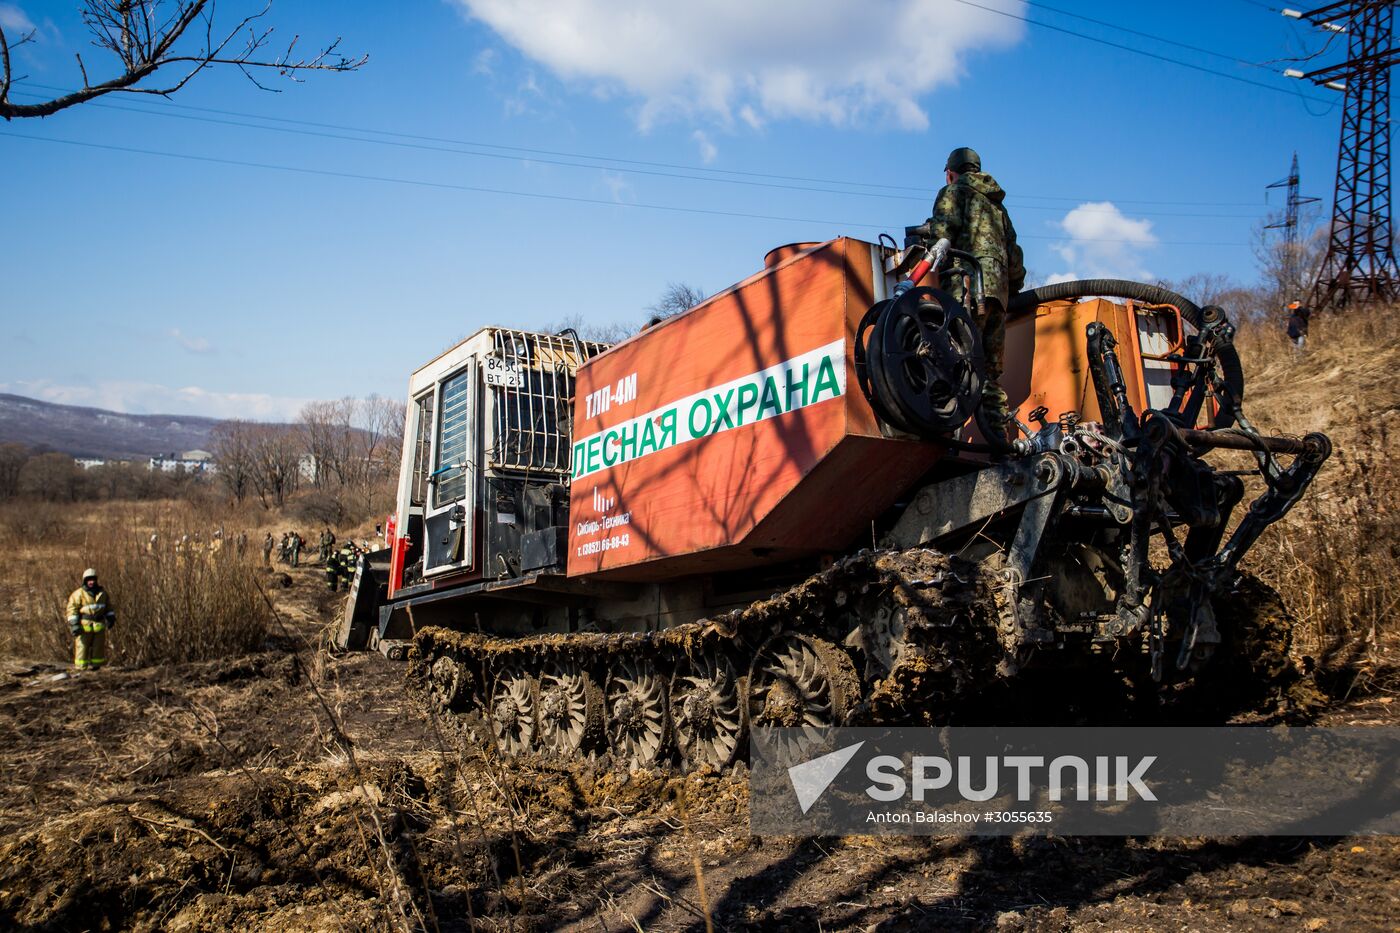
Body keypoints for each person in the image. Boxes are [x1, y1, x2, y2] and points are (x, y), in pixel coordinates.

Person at [907, 146, 1025, 437]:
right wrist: (1012, 288)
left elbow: (942, 236)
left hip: (967, 290)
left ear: (950, 173)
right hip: (998, 298)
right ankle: (1000, 444)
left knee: (950, 360)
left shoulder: (953, 192)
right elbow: (1014, 257)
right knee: (989, 375)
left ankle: (945, 439)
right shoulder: (998, 208)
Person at [66, 568, 115, 671]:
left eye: (93, 579)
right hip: (84, 627)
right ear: (85, 581)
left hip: (99, 626)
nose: (91, 582)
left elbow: (108, 607)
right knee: (82, 648)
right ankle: (80, 669)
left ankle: (96, 668)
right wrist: (74, 624)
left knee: (98, 648)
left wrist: (111, 618)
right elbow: (72, 610)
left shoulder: (103, 593)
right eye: (89, 580)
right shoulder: (78, 594)